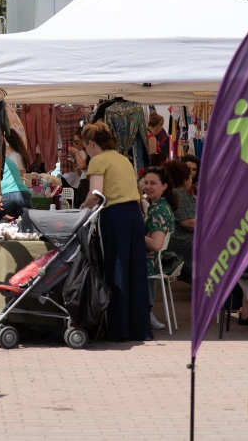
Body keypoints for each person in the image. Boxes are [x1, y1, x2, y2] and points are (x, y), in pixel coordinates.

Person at [80, 122, 151, 341]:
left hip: (115, 216)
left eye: (85, 146)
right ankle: (139, 328)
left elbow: (96, 194)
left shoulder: (98, 160)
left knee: (117, 268)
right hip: (133, 215)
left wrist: (82, 208)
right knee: (135, 270)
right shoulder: (123, 159)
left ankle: (120, 329)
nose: (85, 150)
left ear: (91, 143)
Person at [141, 167, 178, 330]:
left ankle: (144, 312)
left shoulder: (159, 209)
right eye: (146, 182)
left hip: (151, 261)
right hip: (154, 259)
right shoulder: (158, 206)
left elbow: (156, 245)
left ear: (164, 186)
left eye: (153, 183)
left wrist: (132, 233)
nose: (147, 186)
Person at [164, 160, 195, 283]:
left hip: (172, 240)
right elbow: (189, 223)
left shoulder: (171, 194)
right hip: (181, 240)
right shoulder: (180, 195)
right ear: (185, 180)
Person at [0, 136, 33, 222]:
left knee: (1, 230)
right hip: (24, 194)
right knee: (25, 229)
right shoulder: (10, 161)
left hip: (5, 195)